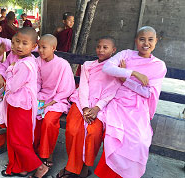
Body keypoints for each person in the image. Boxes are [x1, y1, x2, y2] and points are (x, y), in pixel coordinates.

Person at [94, 26, 167, 178]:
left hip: (139, 107)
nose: (145, 43)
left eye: (150, 39)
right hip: (118, 102)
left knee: (140, 141)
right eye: (142, 39)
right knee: (116, 135)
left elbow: (147, 92)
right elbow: (107, 67)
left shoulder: (159, 65)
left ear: (156, 41)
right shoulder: (126, 54)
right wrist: (133, 73)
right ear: (136, 41)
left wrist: (125, 79)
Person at [56, 36, 120, 178]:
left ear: (113, 50)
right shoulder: (88, 65)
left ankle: (84, 167)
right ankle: (72, 166)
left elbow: (111, 92)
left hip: (102, 106)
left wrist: (96, 108)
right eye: (99, 46)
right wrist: (85, 108)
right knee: (73, 129)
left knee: (93, 132)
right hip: (82, 102)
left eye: (105, 47)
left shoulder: (116, 69)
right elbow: (83, 87)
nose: (101, 50)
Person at [0, 27, 47, 178]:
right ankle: (21, 167)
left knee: (18, 139)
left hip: (21, 106)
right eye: (17, 41)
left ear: (33, 46)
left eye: (24, 43)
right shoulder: (17, 57)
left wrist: (9, 73)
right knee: (15, 137)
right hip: (14, 103)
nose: (19, 46)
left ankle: (40, 166)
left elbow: (12, 86)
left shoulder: (25, 64)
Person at [33, 34, 75, 173]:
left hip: (58, 99)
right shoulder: (38, 62)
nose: (40, 50)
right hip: (42, 97)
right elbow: (37, 82)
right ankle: (34, 149)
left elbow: (67, 88)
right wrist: (38, 98)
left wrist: (51, 102)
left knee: (49, 120)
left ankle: (47, 154)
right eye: (39, 47)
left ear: (53, 48)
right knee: (32, 115)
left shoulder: (62, 64)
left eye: (44, 47)